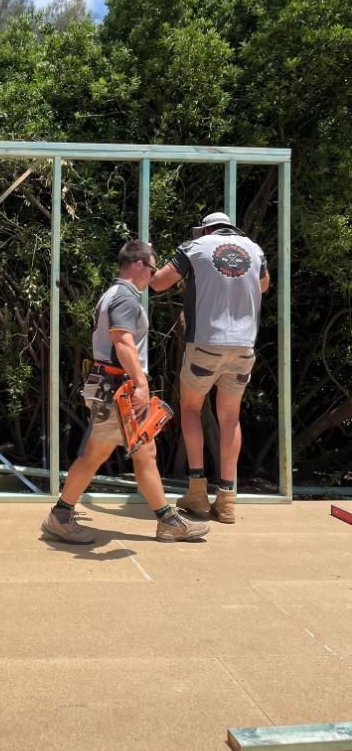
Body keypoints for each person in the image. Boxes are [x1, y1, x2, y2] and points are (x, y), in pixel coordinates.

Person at [41, 240, 209, 545]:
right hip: (119, 389)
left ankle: (65, 515)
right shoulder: (126, 299)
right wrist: (141, 384)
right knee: (115, 454)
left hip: (109, 386)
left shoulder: (114, 295)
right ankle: (63, 516)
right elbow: (122, 342)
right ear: (139, 265)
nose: (154, 276)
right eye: (153, 268)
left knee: (133, 453)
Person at [150, 211, 270, 524]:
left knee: (191, 410)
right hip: (243, 347)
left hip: (205, 343)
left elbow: (159, 283)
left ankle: (198, 494)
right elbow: (264, 285)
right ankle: (227, 501)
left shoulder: (196, 247)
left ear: (206, 229)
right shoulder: (255, 250)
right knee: (230, 417)